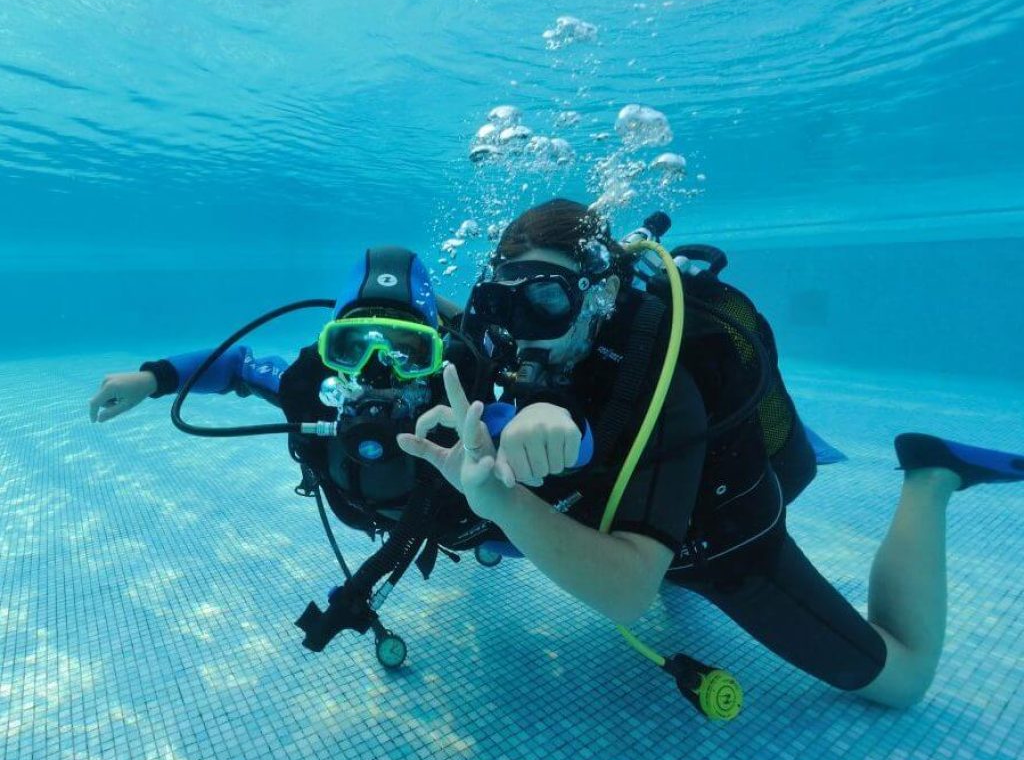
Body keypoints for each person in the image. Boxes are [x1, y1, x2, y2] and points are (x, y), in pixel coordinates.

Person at [397, 198, 1024, 709]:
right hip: (631, 509)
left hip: (719, 542)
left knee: (902, 681)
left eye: (547, 299)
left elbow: (627, 595)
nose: (519, 328)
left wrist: (501, 502)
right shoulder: (519, 333)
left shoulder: (662, 381)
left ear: (597, 296)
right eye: (503, 301)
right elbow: (459, 322)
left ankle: (932, 473)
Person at [88, 247, 516, 659]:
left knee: (515, 535)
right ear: (330, 355)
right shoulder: (311, 397)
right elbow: (240, 366)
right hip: (397, 514)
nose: (377, 369)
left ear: (436, 358)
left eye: (408, 351)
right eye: (352, 347)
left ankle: (452, 317)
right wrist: (152, 378)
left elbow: (520, 440)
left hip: (463, 523)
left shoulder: (466, 415)